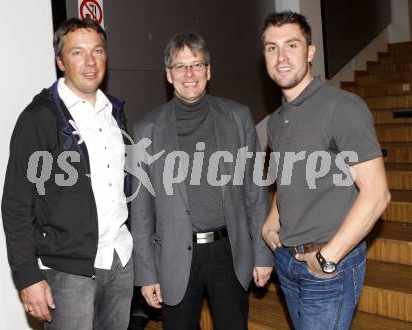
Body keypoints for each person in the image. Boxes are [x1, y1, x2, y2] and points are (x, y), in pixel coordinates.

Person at [130, 32, 274, 330]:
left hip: (229, 252)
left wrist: (263, 253)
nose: (189, 74)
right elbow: (141, 211)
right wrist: (146, 274)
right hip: (174, 256)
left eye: (196, 65)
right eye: (180, 67)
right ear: (169, 75)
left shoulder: (237, 117)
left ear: (208, 70)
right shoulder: (146, 129)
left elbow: (254, 192)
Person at [261, 11, 391, 329]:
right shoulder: (276, 121)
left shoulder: (341, 107)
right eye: (271, 47)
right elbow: (288, 181)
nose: (280, 57)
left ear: (310, 52)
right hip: (288, 261)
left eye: (291, 45)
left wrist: (328, 257)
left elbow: (377, 195)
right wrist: (271, 223)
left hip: (328, 264)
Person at [1, 18, 133, 329]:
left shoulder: (114, 111)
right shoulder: (39, 117)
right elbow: (17, 203)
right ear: (61, 61)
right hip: (67, 271)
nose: (90, 62)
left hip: (119, 259)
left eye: (97, 51)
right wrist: (27, 276)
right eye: (77, 53)